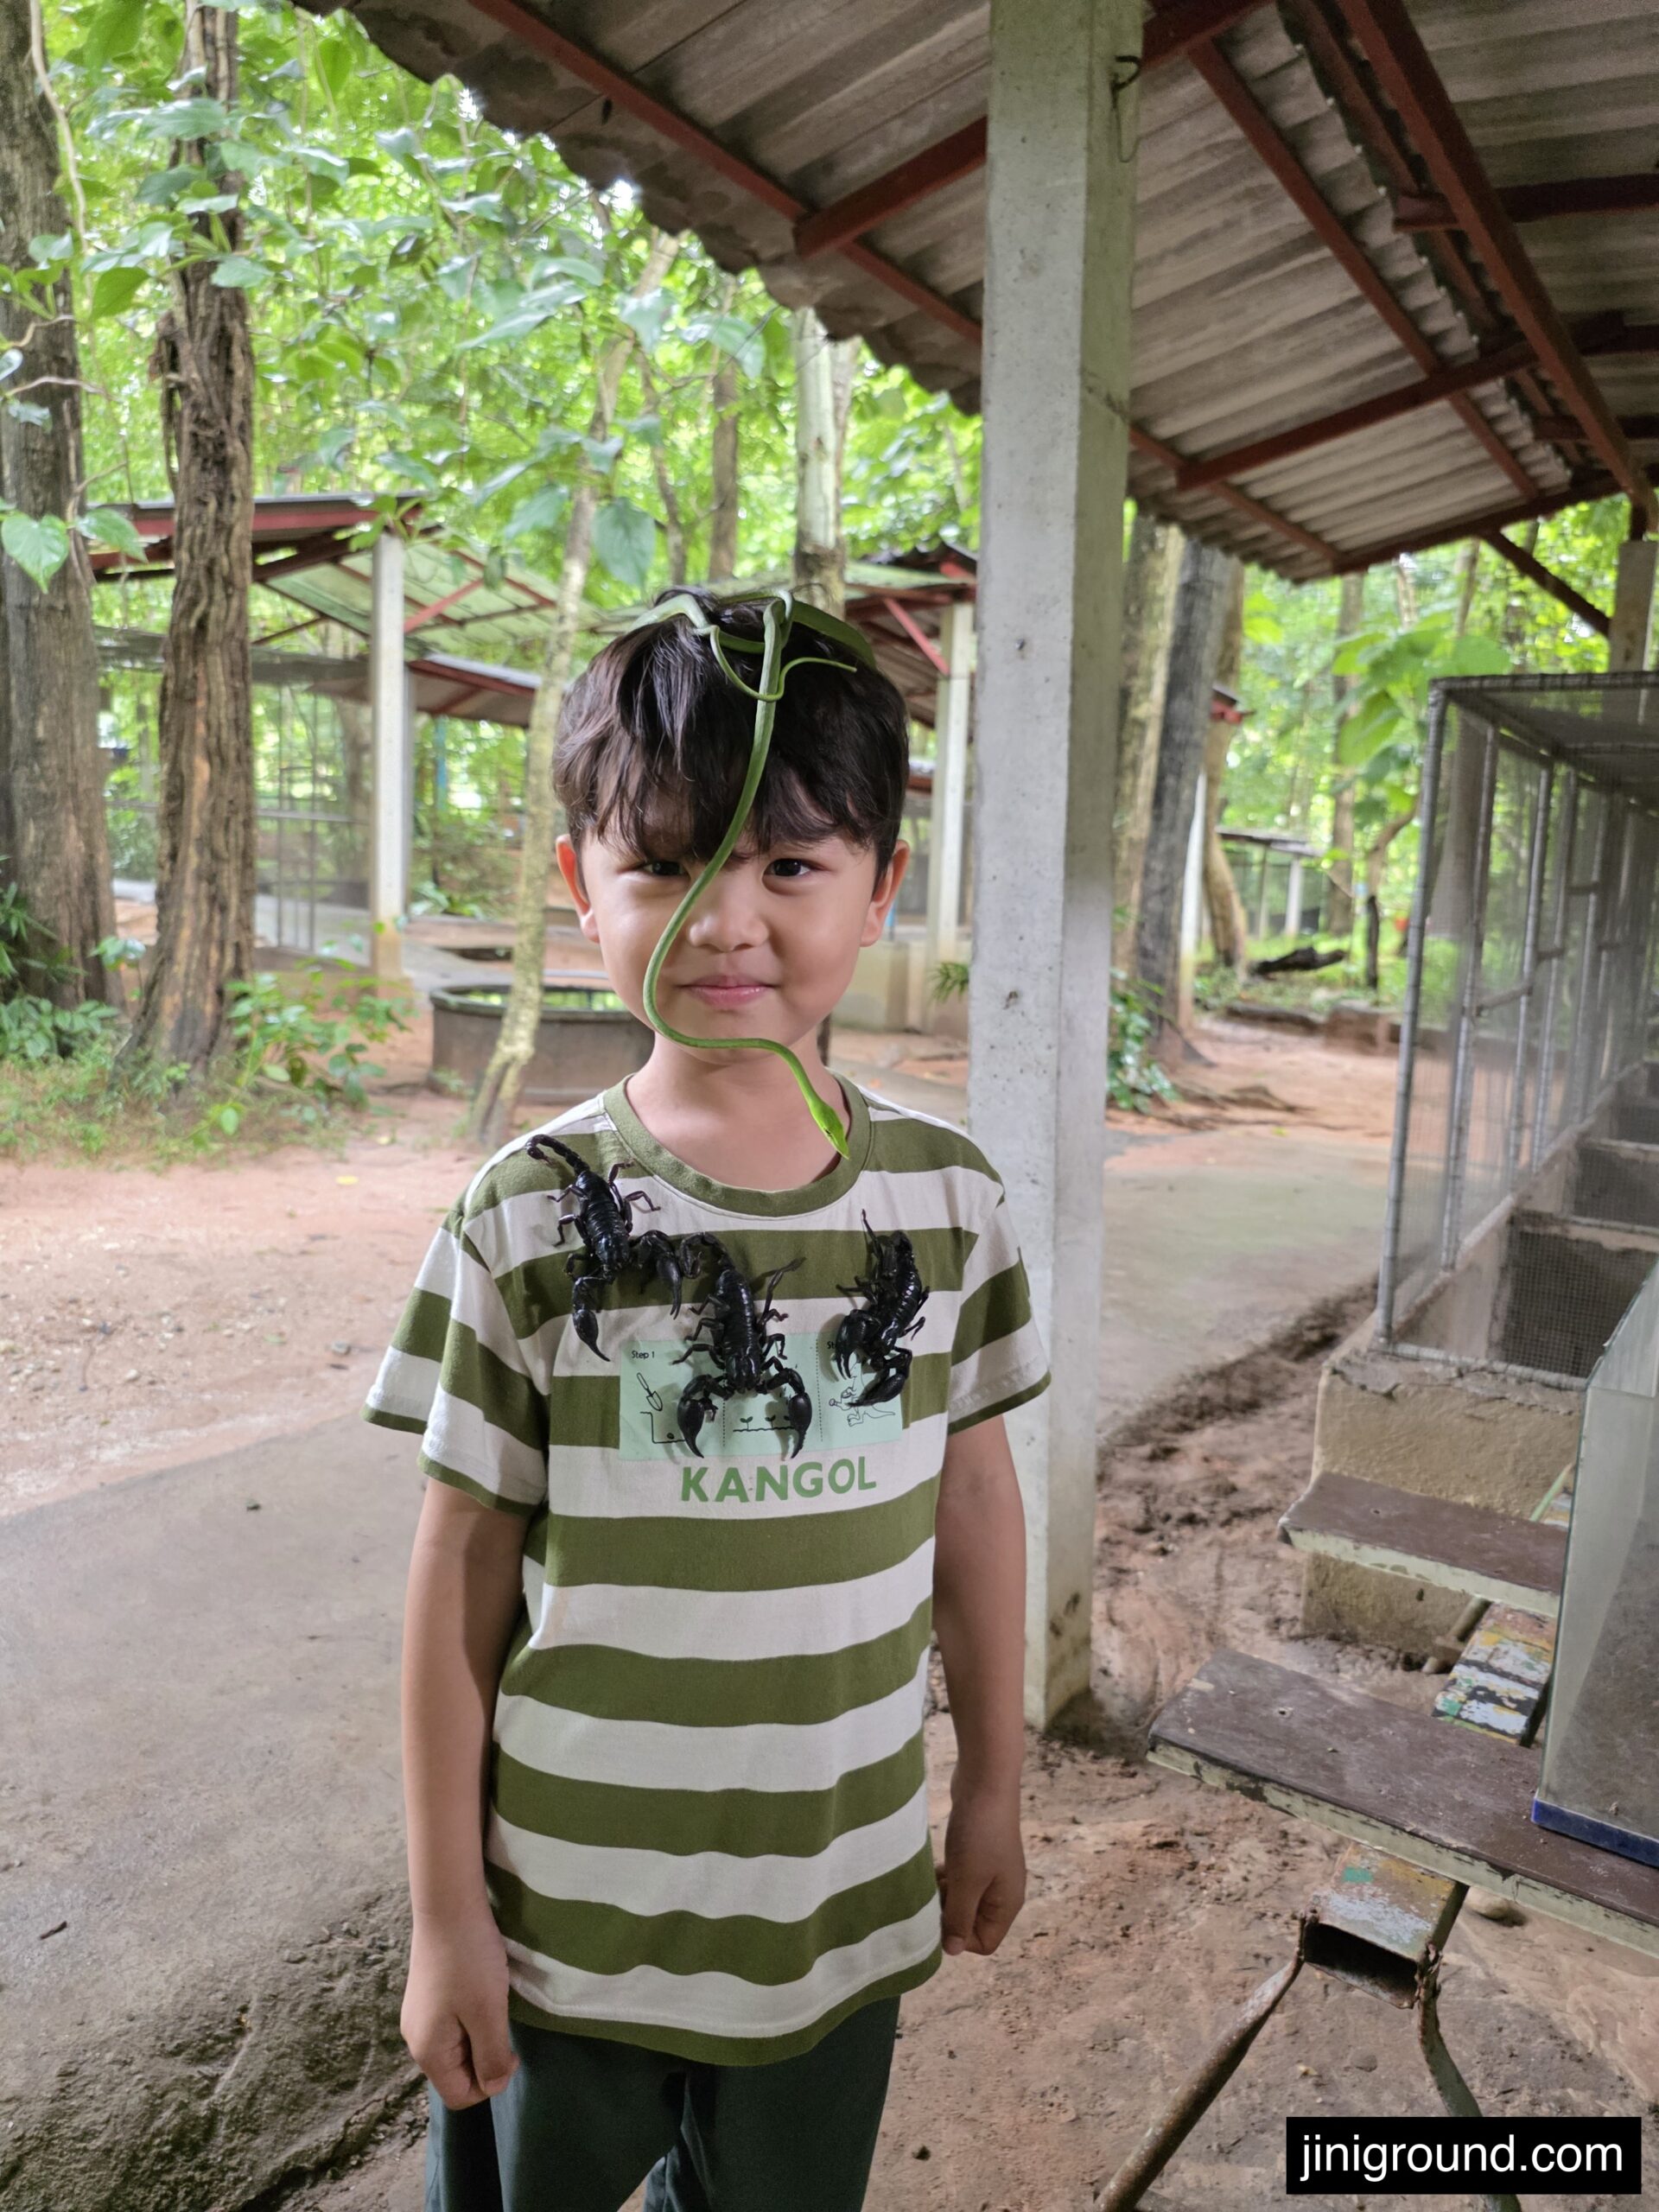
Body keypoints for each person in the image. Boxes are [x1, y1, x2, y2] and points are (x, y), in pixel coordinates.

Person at [365, 589, 1050, 2212]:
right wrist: (445, 1917)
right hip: (562, 1929)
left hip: (837, 1910)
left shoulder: (947, 1205)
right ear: (579, 887)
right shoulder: (525, 1212)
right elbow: (459, 1570)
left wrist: (997, 1787)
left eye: (791, 865)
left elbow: (974, 1503)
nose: (727, 920)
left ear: (883, 887)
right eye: (666, 863)